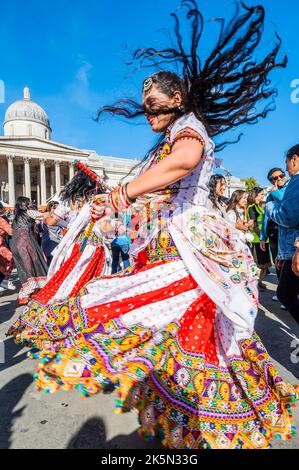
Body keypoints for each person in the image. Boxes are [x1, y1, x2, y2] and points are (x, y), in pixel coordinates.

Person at [9, 1, 297, 450]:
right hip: (168, 240)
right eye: (144, 106)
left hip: (195, 244)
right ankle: (196, 416)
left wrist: (124, 193)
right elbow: (159, 194)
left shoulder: (189, 130)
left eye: (153, 104)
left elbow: (184, 162)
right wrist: (118, 211)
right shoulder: (167, 138)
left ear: (177, 98)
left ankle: (209, 415)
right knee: (173, 324)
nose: (147, 112)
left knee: (161, 314)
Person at [266, 145, 299, 322]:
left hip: (294, 248)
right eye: (274, 178)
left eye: (286, 164)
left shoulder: (297, 180)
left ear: (294, 159)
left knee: (285, 295)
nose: (286, 169)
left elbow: (287, 217)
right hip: (289, 248)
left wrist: (269, 204)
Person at [11, 197, 48, 303]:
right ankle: (40, 291)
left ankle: (25, 295)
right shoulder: (29, 212)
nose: (31, 203)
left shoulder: (16, 216)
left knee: (23, 269)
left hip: (15, 245)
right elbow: (44, 216)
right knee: (37, 265)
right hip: (26, 242)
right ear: (25, 203)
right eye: (29, 202)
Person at [260, 168, 288, 300]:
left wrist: (276, 192)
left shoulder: (292, 187)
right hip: (274, 232)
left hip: (289, 232)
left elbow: (286, 203)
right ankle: (282, 291)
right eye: (274, 178)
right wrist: (262, 236)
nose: (278, 179)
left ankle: (289, 293)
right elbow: (266, 216)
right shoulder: (270, 194)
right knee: (278, 262)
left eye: (280, 176)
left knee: (290, 261)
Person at [246, 188, 272, 289]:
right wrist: (262, 237)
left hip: (263, 239)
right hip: (257, 240)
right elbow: (254, 225)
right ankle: (254, 286)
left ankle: (259, 282)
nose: (263, 196)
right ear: (255, 195)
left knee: (264, 266)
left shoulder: (259, 206)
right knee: (258, 265)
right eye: (261, 194)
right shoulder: (252, 207)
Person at [41, 201, 66, 266]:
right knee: (55, 264)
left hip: (45, 241)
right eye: (55, 208)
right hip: (54, 242)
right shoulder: (54, 219)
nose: (57, 211)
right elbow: (68, 225)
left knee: (49, 263)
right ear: (50, 208)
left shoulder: (43, 217)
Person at [0, 203, 15, 292]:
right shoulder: (1, 220)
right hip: (1, 247)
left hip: (2, 246)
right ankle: (4, 281)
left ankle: (3, 281)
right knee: (11, 258)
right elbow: (11, 231)